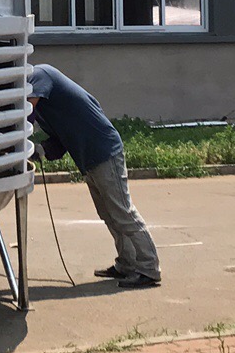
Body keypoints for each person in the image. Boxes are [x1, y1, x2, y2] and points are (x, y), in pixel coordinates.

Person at [26, 64, 161, 288]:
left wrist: (14, 140)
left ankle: (149, 268)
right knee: (108, 213)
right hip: (89, 156)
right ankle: (127, 263)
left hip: (104, 151)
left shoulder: (39, 75)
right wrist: (36, 150)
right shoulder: (43, 104)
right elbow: (59, 142)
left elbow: (25, 118)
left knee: (122, 211)